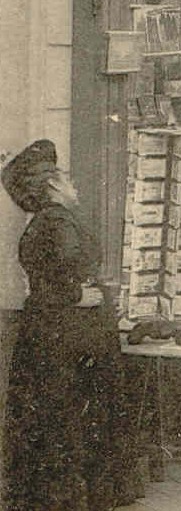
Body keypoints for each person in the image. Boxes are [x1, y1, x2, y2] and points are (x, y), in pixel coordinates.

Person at [1, 140, 144, 511]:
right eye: (65, 178)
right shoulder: (59, 220)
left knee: (56, 415)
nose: (73, 184)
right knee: (75, 413)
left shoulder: (44, 221)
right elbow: (64, 270)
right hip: (71, 333)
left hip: (52, 332)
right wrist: (75, 295)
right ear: (52, 186)